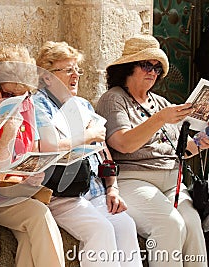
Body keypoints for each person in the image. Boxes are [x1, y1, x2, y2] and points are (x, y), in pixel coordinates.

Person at [95, 34, 209, 267]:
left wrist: (200, 143)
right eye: (147, 65)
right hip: (133, 179)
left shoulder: (161, 102)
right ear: (128, 67)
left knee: (193, 225)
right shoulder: (113, 99)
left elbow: (181, 149)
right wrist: (159, 119)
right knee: (169, 224)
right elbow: (123, 144)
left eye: (157, 68)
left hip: (171, 180)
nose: (153, 72)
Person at [32, 41, 142, 267]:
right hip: (62, 194)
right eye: (68, 70)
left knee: (125, 225)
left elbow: (103, 150)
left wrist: (113, 187)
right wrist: (88, 134)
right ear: (47, 77)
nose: (76, 75)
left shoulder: (82, 104)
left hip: (95, 190)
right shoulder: (37, 104)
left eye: (77, 70)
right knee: (99, 230)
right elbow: (48, 145)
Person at [0, 45, 65, 267]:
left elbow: (31, 150)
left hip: (15, 191)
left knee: (29, 240)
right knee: (39, 216)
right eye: (8, 94)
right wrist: (9, 131)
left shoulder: (23, 100)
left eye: (22, 95)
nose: (14, 102)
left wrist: (34, 173)